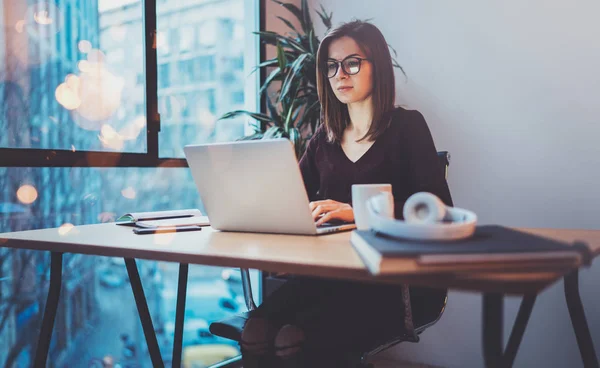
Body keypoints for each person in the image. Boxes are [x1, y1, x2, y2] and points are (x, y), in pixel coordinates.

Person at [240, 20, 453, 368]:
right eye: (331, 66)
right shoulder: (324, 139)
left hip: (388, 283)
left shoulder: (407, 127)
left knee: (290, 337)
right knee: (256, 330)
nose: (340, 74)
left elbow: (438, 211)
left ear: (378, 66)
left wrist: (359, 211)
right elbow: (292, 201)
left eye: (352, 63)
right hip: (326, 276)